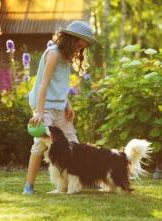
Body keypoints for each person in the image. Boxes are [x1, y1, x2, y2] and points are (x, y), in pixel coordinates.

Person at [23, 21, 96, 194]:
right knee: (40, 145)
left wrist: (67, 104)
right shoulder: (54, 53)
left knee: (73, 144)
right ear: (73, 39)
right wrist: (39, 111)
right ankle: (29, 186)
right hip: (44, 106)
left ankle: (81, 180)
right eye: (80, 44)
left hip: (59, 106)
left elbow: (60, 84)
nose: (81, 49)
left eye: (83, 47)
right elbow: (44, 83)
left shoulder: (66, 56)